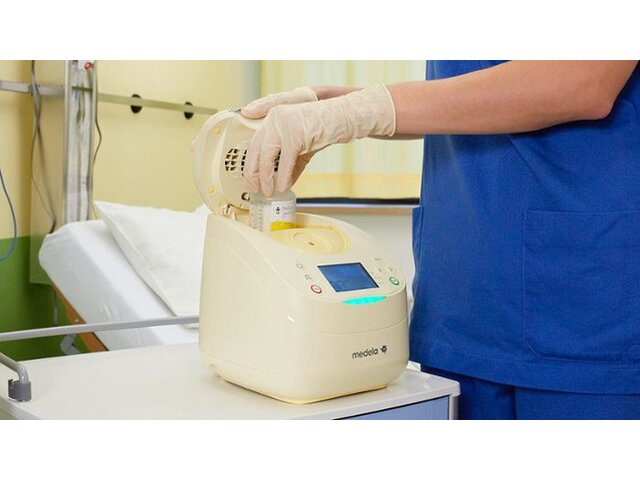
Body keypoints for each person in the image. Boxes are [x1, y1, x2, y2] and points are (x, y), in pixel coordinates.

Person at [240, 60, 640, 419]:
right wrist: (326, 102)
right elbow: (468, 98)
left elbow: (581, 79)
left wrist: (360, 111)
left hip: (580, 307)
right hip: (463, 302)